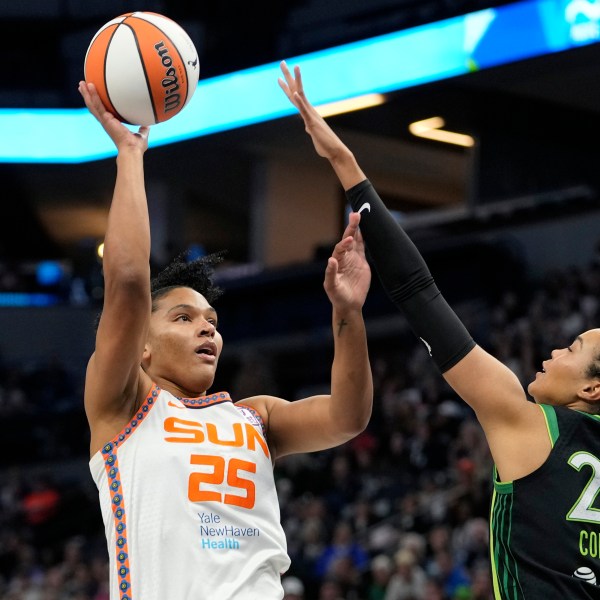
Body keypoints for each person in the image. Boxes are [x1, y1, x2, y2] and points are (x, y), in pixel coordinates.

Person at [279, 59, 600, 598]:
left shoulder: (532, 425)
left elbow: (417, 291)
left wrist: (345, 163)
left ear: (592, 389)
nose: (553, 350)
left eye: (573, 347)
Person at [78, 79, 373, 600]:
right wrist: (129, 155)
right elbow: (126, 283)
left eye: (211, 319)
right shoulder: (122, 407)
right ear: (141, 347)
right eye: (184, 318)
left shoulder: (256, 416)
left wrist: (347, 313)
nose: (207, 327)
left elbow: (348, 417)